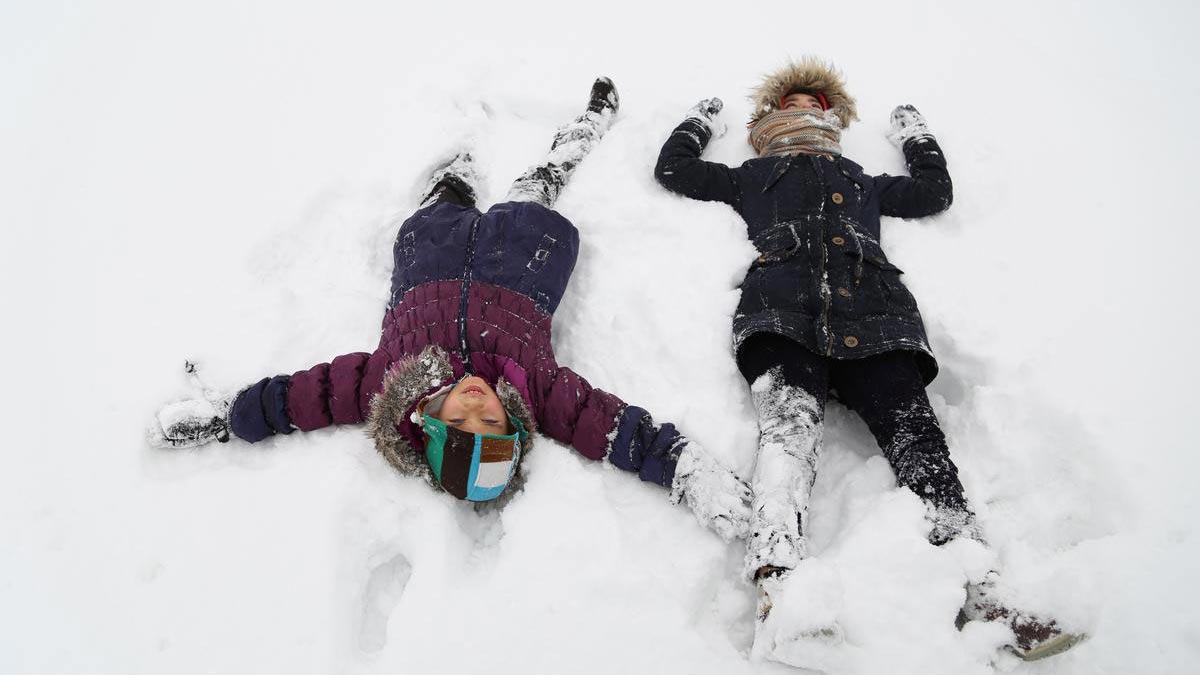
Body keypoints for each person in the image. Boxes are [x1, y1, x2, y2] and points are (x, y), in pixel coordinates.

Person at [152, 77, 752, 541]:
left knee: (442, 201)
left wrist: (229, 417)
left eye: (461, 425)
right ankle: (587, 127)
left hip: (433, 256)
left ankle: (456, 173)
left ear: (430, 425)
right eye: (493, 424)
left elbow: (299, 399)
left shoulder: (382, 385)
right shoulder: (537, 390)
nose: (477, 409)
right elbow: (613, 426)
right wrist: (686, 471)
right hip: (519, 259)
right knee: (538, 184)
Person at [654, 58, 1082, 660]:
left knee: (920, 443)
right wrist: (698, 121)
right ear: (772, 116)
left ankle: (985, 591)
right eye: (796, 103)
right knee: (787, 440)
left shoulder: (861, 179)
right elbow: (674, 171)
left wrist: (917, 137)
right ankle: (778, 590)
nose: (808, 110)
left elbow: (934, 194)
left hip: (876, 318)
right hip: (781, 315)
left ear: (834, 118)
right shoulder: (751, 176)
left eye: (819, 105)